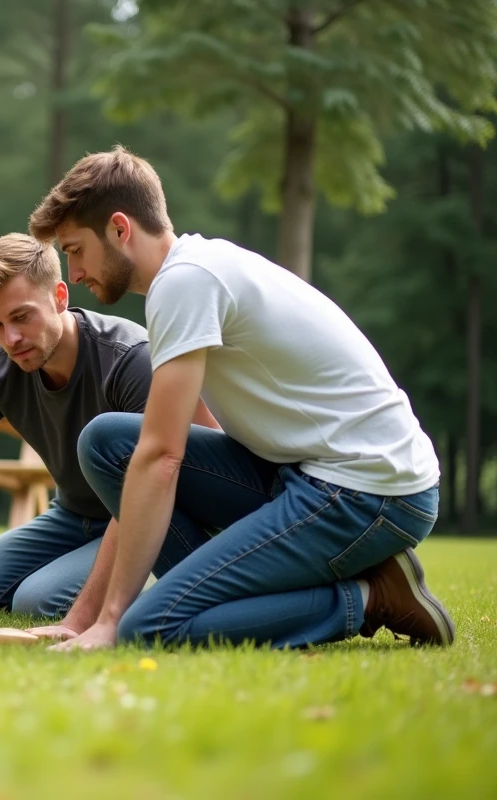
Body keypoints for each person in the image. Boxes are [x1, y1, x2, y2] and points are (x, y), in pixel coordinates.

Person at [25, 146, 453, 650]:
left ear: (120, 229)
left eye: (75, 250)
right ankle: (219, 600)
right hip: (301, 474)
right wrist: (87, 617)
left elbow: (162, 456)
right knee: (106, 443)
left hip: (369, 490)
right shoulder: (193, 269)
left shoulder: (185, 282)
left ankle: (372, 596)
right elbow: (179, 444)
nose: (73, 274)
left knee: (146, 628)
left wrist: (110, 619)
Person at [0, 232, 216, 620]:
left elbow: (152, 484)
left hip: (144, 517)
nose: (11, 339)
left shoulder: (129, 359)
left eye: (21, 317)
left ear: (60, 296)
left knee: (35, 601)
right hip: (71, 515)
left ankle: (150, 577)